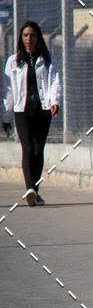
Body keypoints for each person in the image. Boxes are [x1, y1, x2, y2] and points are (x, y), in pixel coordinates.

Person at [3, 21, 61, 206]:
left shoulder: (48, 58)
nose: (29, 39)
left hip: (42, 109)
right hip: (22, 110)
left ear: (38, 38)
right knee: (27, 148)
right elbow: (8, 89)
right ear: (21, 38)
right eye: (25, 35)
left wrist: (55, 101)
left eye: (32, 35)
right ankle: (30, 188)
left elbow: (55, 81)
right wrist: (6, 114)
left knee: (38, 149)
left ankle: (35, 191)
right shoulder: (13, 61)